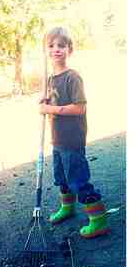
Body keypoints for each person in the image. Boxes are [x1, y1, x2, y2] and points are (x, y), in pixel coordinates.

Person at [40, 27, 110, 239]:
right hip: (57, 138)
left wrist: (50, 109)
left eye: (61, 45)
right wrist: (45, 102)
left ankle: (99, 220)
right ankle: (67, 208)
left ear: (69, 49)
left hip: (72, 138)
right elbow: (53, 101)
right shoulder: (51, 78)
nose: (56, 49)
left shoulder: (72, 77)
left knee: (78, 180)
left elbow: (80, 108)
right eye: (51, 46)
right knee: (61, 177)